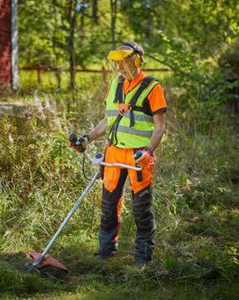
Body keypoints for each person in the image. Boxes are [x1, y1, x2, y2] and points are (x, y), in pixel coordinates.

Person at [70, 41, 167, 266]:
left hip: (138, 156)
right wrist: (87, 138)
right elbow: (109, 119)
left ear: (137, 60)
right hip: (113, 153)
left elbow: (160, 127)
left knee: (141, 208)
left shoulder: (153, 87)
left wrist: (149, 151)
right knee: (108, 205)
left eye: (125, 60)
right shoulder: (116, 83)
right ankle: (106, 252)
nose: (120, 66)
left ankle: (142, 257)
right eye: (118, 61)